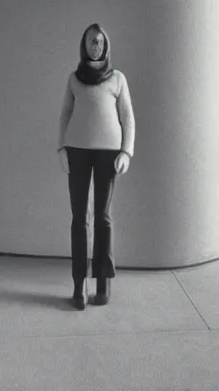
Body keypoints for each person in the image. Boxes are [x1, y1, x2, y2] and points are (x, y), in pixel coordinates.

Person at [57, 23, 135, 310]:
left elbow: (128, 118)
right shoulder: (74, 79)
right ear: (84, 44)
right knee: (80, 218)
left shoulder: (117, 79)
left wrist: (126, 151)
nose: (96, 46)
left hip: (109, 154)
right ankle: (79, 284)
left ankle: (103, 280)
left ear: (106, 45)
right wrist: (61, 148)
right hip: (77, 152)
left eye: (100, 41)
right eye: (91, 41)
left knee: (102, 217)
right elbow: (64, 115)